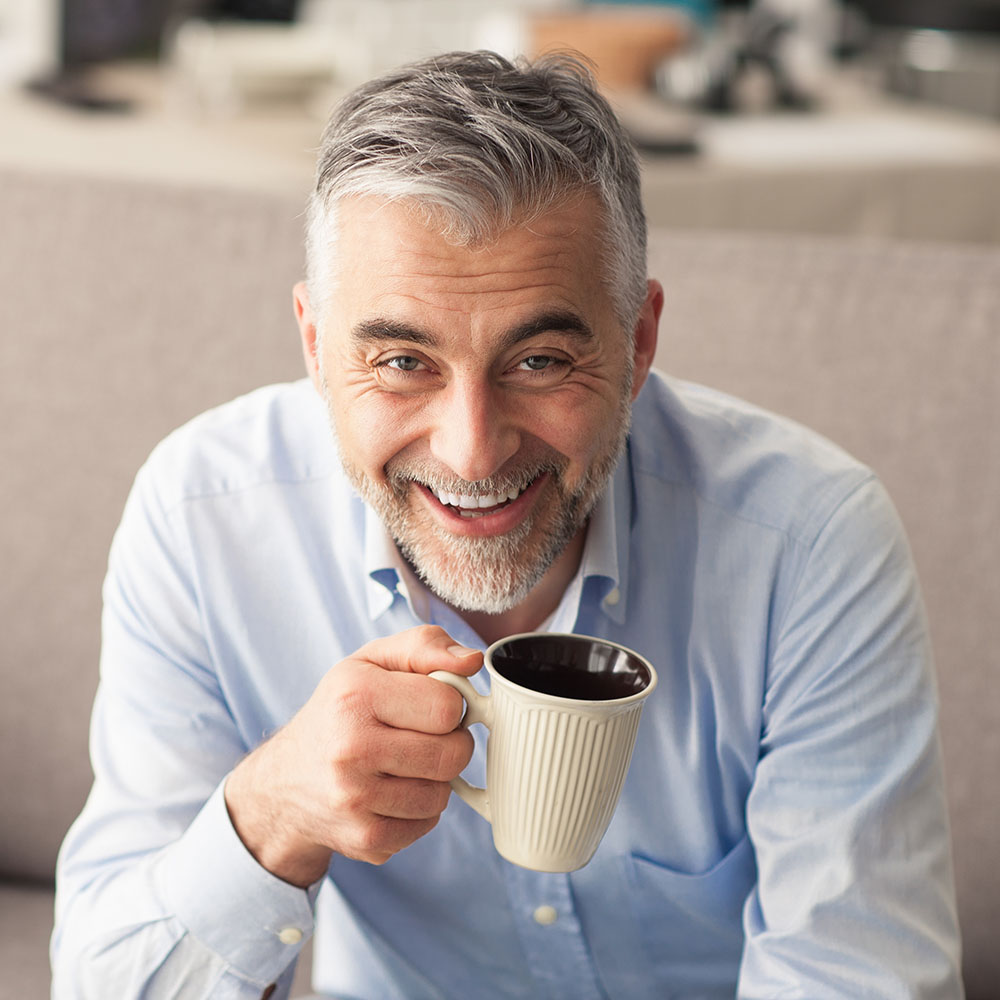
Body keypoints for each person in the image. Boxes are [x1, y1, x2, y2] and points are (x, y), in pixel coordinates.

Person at [51, 50, 963, 999]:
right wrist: (272, 813)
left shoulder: (809, 543)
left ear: (639, 340)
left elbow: (856, 976)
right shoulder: (203, 521)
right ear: (317, 345)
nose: (473, 453)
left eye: (539, 362)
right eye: (403, 361)